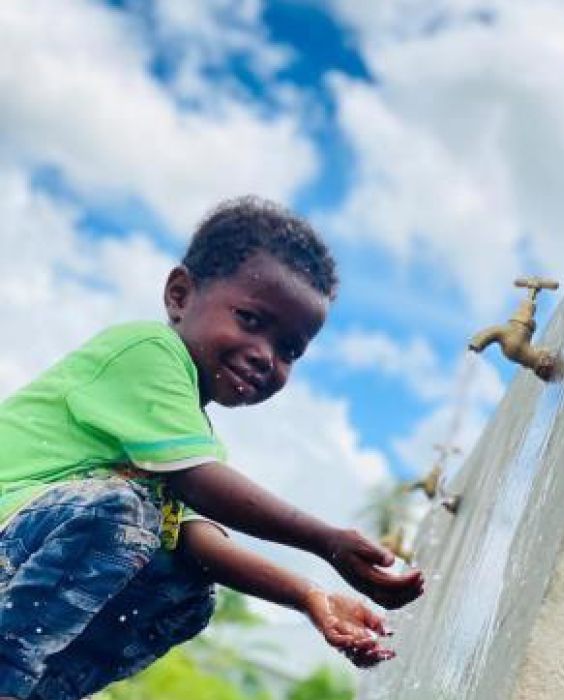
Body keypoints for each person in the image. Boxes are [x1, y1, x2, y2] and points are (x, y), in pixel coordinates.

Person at [0, 197, 424, 700]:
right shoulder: (146, 353)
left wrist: (309, 596)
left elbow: (197, 540)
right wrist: (325, 541)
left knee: (188, 589)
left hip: (25, 559)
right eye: (250, 319)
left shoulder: (182, 442)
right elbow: (201, 484)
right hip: (11, 534)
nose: (265, 355)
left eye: (289, 350)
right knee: (119, 515)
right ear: (180, 295)